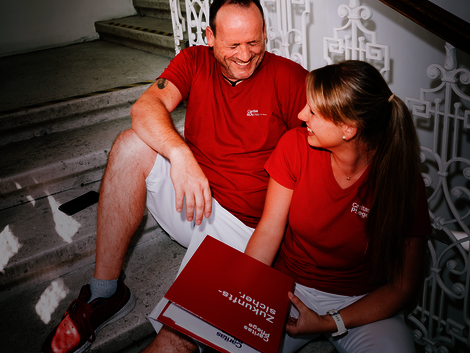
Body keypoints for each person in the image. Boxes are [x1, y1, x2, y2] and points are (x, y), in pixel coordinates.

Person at [40, 0, 308, 352]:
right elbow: (144, 108)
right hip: (193, 201)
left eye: (254, 43)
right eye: (233, 45)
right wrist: (180, 154)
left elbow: (312, 163)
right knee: (131, 143)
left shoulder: (290, 77)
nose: (245, 56)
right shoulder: (194, 60)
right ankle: (105, 293)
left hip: (246, 231)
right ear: (210, 36)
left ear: (264, 36)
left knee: (181, 332)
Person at [244, 60, 432, 353]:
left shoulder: (402, 181)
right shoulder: (294, 145)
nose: (300, 114)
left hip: (360, 301)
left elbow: (402, 287)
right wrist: (238, 291)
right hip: (290, 288)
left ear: (348, 129)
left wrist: (329, 322)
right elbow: (268, 230)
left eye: (313, 112)